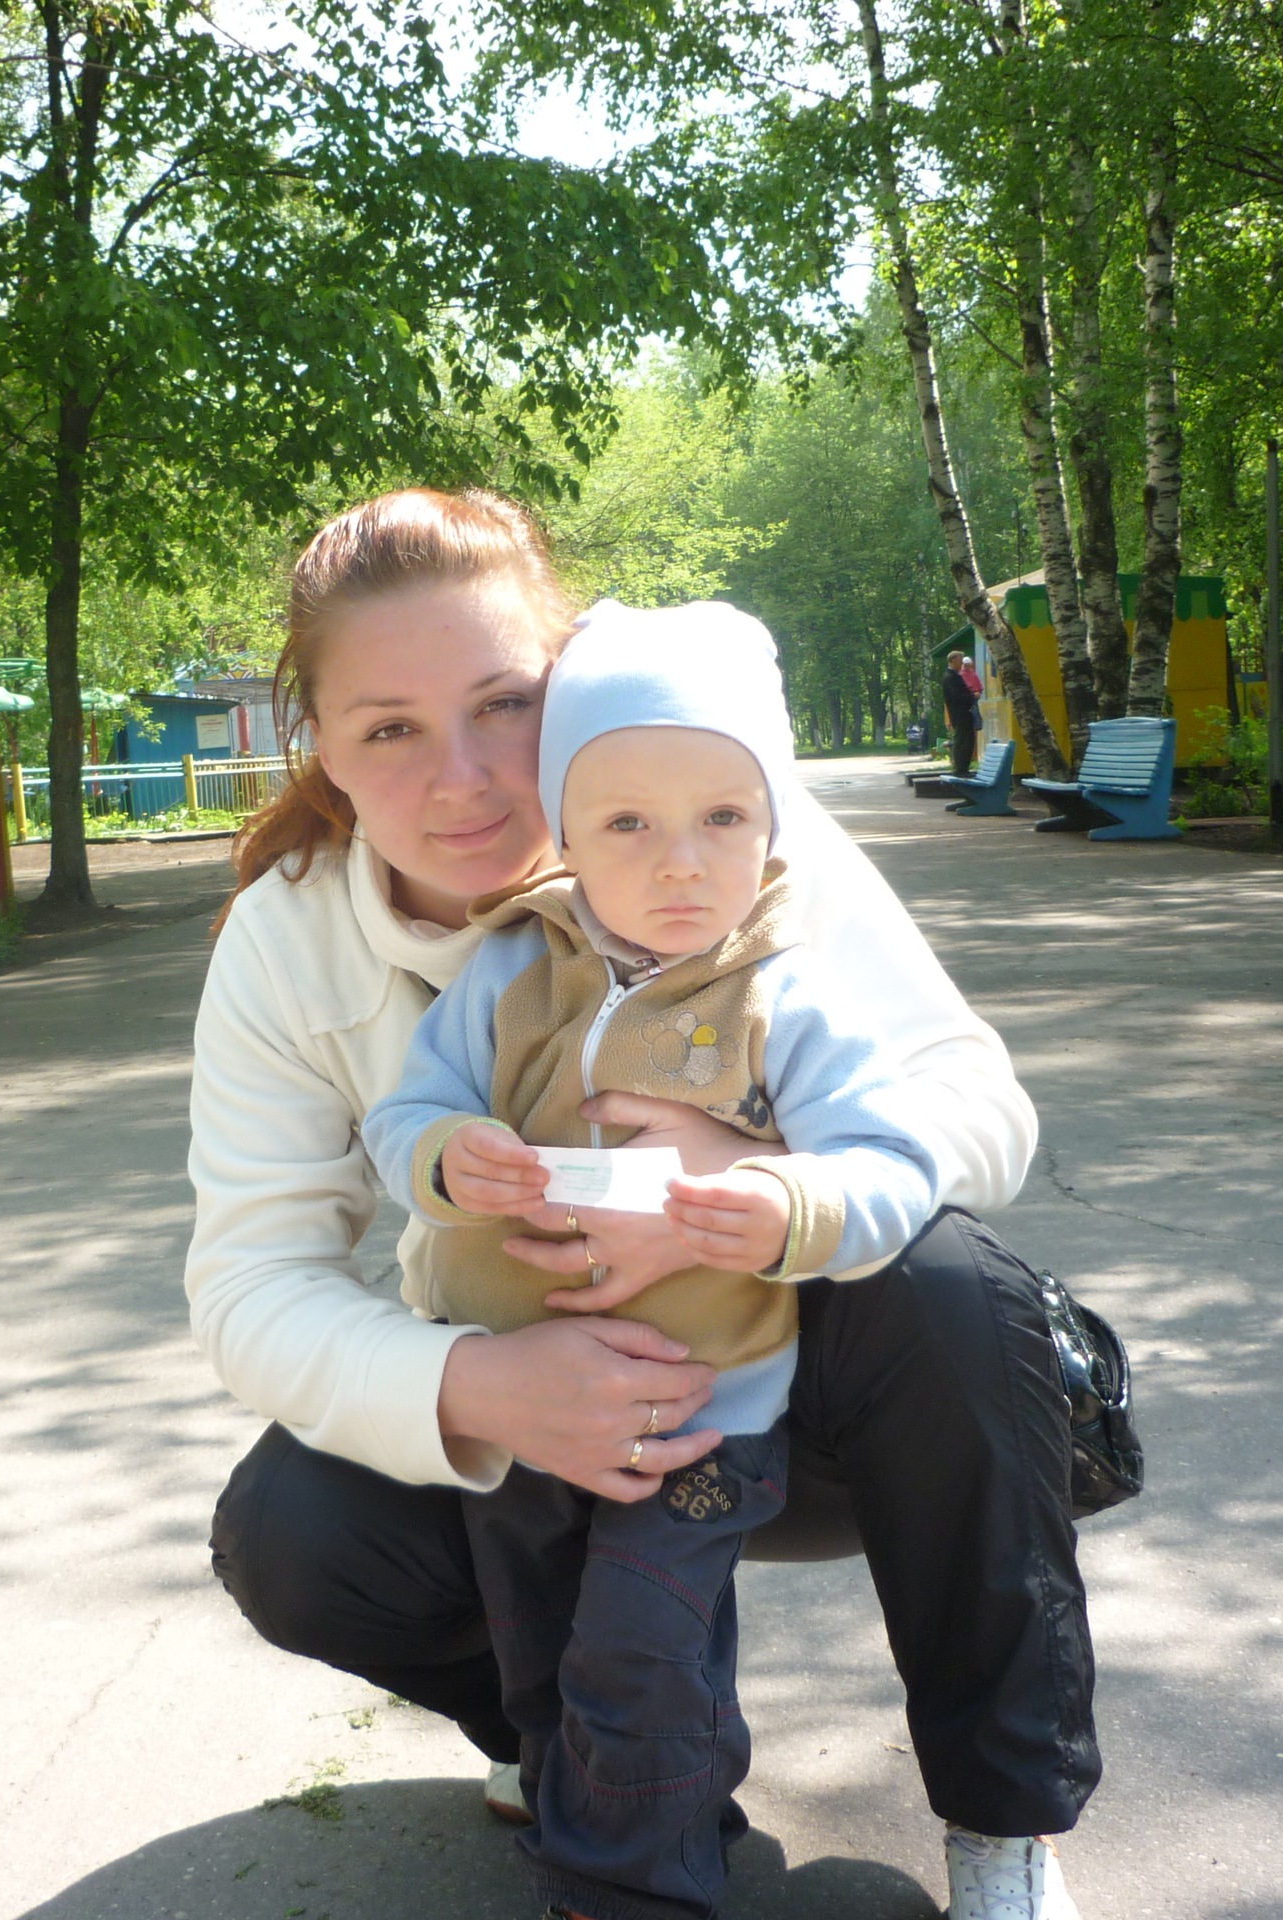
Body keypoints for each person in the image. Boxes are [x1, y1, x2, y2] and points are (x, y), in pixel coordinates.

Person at [188, 489, 1097, 1920]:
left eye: (502, 705)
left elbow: (980, 1105)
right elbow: (250, 1280)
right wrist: (477, 1385)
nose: (466, 780)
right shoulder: (288, 934)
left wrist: (754, 1176)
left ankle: (1001, 1815)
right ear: (324, 748)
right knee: (292, 1536)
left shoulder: (710, 821)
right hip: (531, 1414)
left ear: (563, 697)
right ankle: (566, 1752)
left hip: (779, 1396)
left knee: (953, 1291)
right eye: (390, 728)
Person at [364, 605, 945, 1920]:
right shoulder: (513, 966)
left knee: (636, 1656)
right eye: (626, 821)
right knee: (539, 1653)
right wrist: (448, 1155)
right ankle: (633, 1811)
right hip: (524, 1398)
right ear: (564, 833)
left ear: (773, 825)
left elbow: (893, 1168)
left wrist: (779, 1199)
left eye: (722, 817)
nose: (680, 861)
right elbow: (404, 1112)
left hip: (701, 1414)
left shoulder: (786, 993)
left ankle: (627, 1889)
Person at [943, 651, 983, 779]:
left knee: (968, 741)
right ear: (952, 660)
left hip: (964, 714)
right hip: (960, 714)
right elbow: (956, 697)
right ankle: (960, 769)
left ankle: (964, 768)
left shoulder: (954, 676)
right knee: (962, 742)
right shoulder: (950, 677)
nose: (961, 663)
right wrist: (972, 696)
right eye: (960, 660)